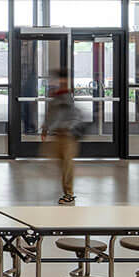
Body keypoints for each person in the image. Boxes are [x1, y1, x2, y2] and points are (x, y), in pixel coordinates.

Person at [43, 69, 84, 205]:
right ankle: (66, 191)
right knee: (62, 164)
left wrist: (68, 128)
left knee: (67, 165)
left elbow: (74, 115)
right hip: (59, 135)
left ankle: (69, 194)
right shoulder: (57, 96)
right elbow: (51, 114)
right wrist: (45, 128)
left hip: (67, 136)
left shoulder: (66, 96)